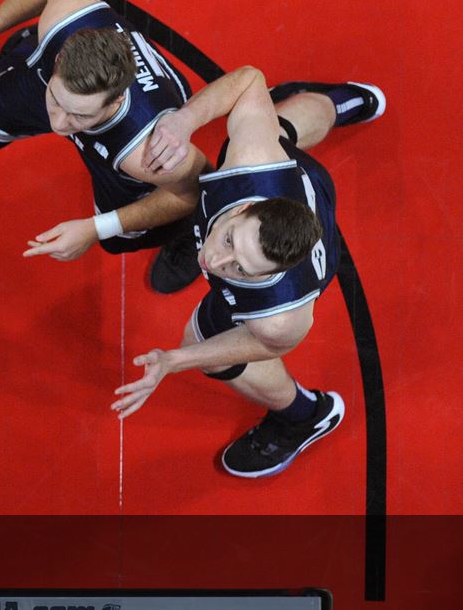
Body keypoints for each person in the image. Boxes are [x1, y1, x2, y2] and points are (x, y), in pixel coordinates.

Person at [111, 68, 385, 477]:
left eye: (239, 268)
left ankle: (305, 415)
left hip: (310, 206)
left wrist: (175, 359)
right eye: (227, 243)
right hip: (295, 175)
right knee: (275, 129)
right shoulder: (253, 160)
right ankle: (348, 100)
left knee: (210, 350)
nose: (214, 264)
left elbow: (261, 345)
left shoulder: (279, 314)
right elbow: (249, 81)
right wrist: (183, 120)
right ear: (242, 209)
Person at [0, 0, 206, 293]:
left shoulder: (147, 147)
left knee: (117, 239)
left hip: (123, 142)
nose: (59, 125)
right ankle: (31, 46)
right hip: (65, 79)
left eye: (79, 118)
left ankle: (191, 233)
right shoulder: (66, 20)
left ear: (114, 103)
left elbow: (193, 191)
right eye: (56, 102)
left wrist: (95, 228)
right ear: (59, 59)